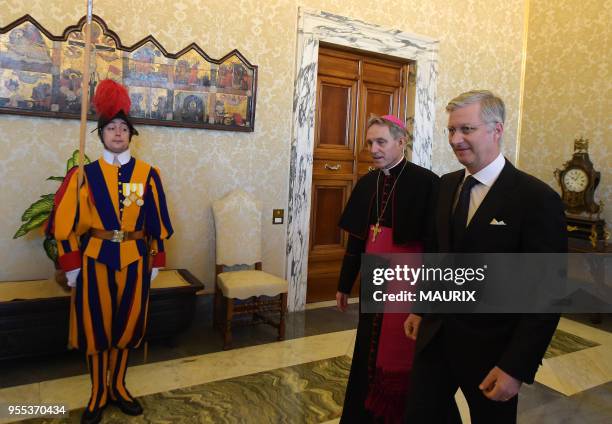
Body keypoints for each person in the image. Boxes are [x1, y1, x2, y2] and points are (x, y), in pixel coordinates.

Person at [404, 90, 566, 423]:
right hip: (436, 338)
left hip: (493, 351)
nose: (456, 139)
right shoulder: (446, 186)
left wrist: (515, 366)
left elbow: (547, 293)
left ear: (497, 130)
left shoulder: (536, 199)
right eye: (451, 130)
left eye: (467, 129)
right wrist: (421, 308)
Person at [48, 79, 173, 424]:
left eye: (123, 128)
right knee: (97, 328)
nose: (118, 133)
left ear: (131, 135)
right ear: (101, 134)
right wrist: (72, 265)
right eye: (111, 128)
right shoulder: (83, 176)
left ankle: (118, 386)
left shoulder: (148, 175)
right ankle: (98, 393)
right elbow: (66, 226)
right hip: (95, 262)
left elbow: (157, 220)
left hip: (135, 260)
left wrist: (155, 260)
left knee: (126, 327)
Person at [336, 115, 448, 423]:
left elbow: (436, 249)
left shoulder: (427, 183)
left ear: (401, 142)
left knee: (401, 353)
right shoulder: (367, 182)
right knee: (368, 348)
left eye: (381, 141)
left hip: (408, 282)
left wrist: (424, 304)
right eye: (370, 142)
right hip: (374, 279)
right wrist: (344, 284)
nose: (373, 148)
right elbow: (357, 240)